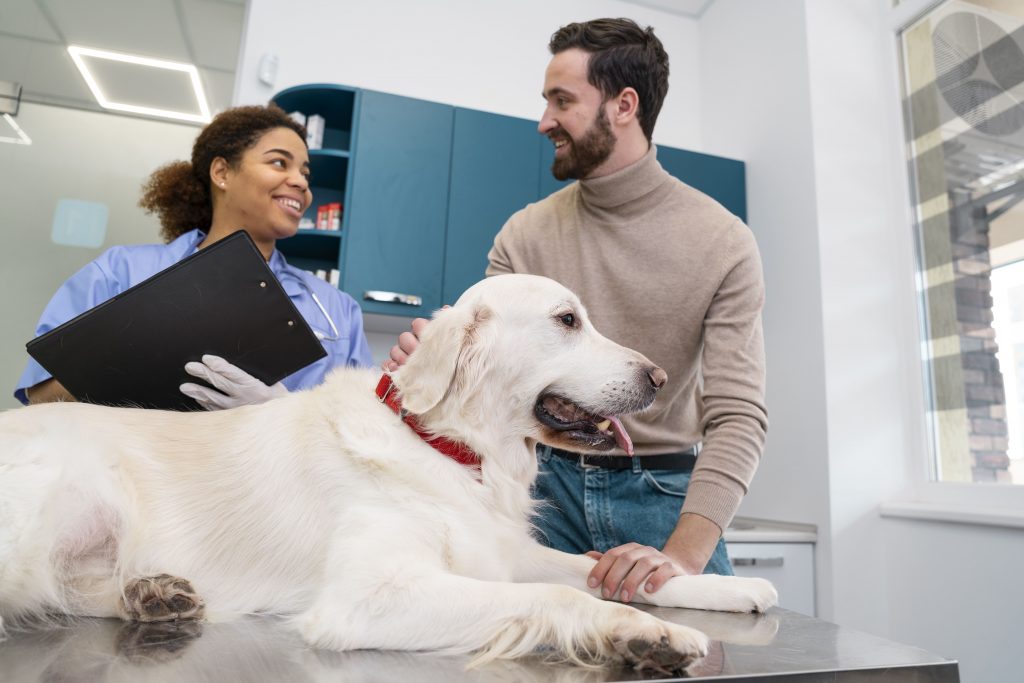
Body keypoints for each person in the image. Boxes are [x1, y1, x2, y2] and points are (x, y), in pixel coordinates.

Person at [387, 18, 767, 603]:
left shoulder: (723, 241)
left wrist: (682, 557)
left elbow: (738, 414)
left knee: (697, 653)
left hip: (665, 498)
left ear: (623, 105)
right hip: (538, 494)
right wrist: (437, 359)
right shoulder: (524, 233)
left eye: (562, 101)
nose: (544, 123)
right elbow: (492, 384)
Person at [15, 104, 373, 408]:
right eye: (280, 163)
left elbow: (361, 430)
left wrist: (282, 413)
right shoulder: (120, 272)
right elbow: (41, 399)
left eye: (305, 173)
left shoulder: (338, 311)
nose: (301, 182)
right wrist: (139, 359)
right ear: (221, 173)